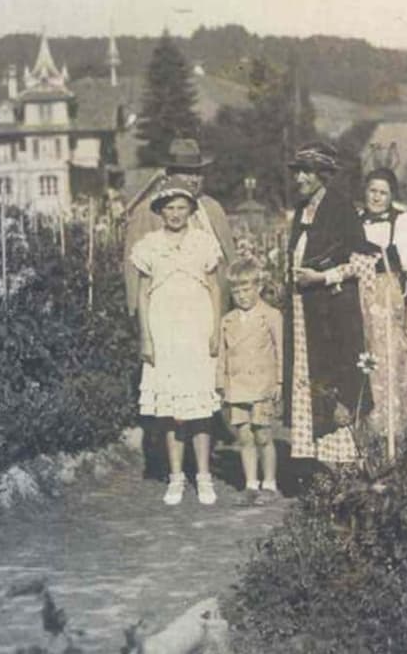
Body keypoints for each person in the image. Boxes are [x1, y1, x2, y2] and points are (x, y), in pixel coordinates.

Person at [319, 168, 407, 448]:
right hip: (356, 303)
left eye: (383, 193)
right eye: (373, 191)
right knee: (361, 369)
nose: (377, 197)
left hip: (389, 304)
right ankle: (365, 444)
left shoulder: (403, 222)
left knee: (390, 367)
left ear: (391, 196)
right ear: (365, 191)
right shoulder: (355, 221)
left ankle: (397, 445)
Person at [131, 182, 223, 505]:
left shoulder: (203, 243)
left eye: (181, 207)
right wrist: (146, 336)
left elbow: (214, 289)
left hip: (197, 331)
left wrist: (215, 333)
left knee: (199, 409)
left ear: (191, 211)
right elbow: (143, 295)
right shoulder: (149, 246)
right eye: (169, 208)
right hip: (165, 332)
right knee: (171, 410)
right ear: (160, 212)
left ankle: (203, 475)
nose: (175, 214)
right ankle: (176, 477)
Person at [285, 141, 371, 465]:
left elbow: (362, 264)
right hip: (303, 312)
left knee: (335, 378)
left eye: (306, 172)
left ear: (322, 174)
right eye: (298, 172)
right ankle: (321, 469)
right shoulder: (302, 210)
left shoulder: (340, 207)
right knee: (310, 379)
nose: (300, 179)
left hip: (332, 314)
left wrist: (322, 278)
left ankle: (344, 468)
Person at [124, 138, 236, 317]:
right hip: (170, 312)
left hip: (216, 310)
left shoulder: (212, 208)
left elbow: (231, 259)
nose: (194, 179)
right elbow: (133, 269)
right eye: (186, 173)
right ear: (168, 175)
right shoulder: (148, 211)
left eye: (198, 173)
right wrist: (136, 312)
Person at [217, 258, 284, 504]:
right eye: (236, 291)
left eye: (247, 290)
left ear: (258, 287)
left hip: (262, 385)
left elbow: (281, 351)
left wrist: (280, 382)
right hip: (237, 388)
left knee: (264, 436)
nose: (242, 296)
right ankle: (251, 485)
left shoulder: (271, 315)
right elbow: (222, 356)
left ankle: (269, 484)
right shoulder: (228, 320)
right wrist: (220, 383)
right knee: (244, 437)